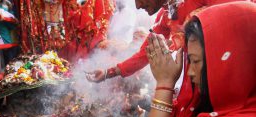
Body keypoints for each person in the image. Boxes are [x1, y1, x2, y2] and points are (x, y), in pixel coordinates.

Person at [133, 2, 256, 117]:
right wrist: (111, 71)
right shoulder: (238, 99)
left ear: (232, 59)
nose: (190, 73)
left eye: (196, 62)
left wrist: (165, 84)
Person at [86, 0, 248, 83]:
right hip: (198, 80)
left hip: (231, 76)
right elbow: (145, 53)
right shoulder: (165, 16)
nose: (137, 5)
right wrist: (108, 73)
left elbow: (241, 17)